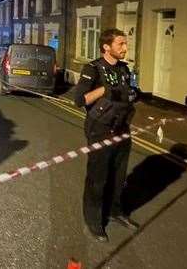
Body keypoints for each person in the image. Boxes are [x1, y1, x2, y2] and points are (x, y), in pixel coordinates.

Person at [74, 28, 140, 242]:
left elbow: (128, 92)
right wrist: (104, 90)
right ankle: (93, 219)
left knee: (118, 176)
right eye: (120, 44)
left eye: (125, 43)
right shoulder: (92, 69)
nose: (125, 48)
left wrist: (133, 94)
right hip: (100, 128)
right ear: (106, 47)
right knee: (98, 177)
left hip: (121, 127)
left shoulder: (124, 69)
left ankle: (115, 210)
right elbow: (80, 100)